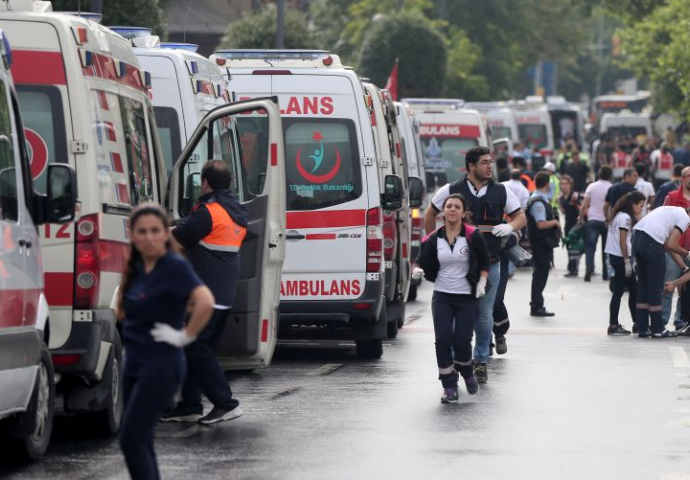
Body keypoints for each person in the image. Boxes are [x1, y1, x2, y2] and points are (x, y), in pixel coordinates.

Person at [117, 203, 215, 480]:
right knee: (143, 438)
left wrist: (184, 335)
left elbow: (205, 301)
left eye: (155, 231)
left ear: (164, 234)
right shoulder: (136, 266)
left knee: (131, 440)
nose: (148, 237)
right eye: (142, 231)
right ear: (133, 235)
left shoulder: (173, 266)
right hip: (134, 364)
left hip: (160, 367)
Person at [424, 146, 526, 383]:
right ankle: (452, 361)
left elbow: (521, 216)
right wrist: (434, 246)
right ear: (471, 166)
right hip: (455, 266)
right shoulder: (452, 190)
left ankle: (480, 360)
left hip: (489, 262)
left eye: (491, 161)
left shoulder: (502, 191)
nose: (490, 166)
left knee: (483, 314)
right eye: (484, 162)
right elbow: (430, 214)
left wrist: (511, 226)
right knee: (453, 316)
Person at [164, 160, 248, 424]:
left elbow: (177, 237)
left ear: (205, 183)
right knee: (197, 349)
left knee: (195, 347)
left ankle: (226, 403)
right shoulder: (236, 211)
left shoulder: (208, 212)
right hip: (223, 295)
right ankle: (190, 406)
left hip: (206, 295)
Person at [415, 194, 491, 403]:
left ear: (463, 212)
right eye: (449, 206)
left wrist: (482, 281)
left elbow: (485, 261)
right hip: (442, 297)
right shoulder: (434, 237)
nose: (452, 210)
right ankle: (449, 385)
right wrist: (418, 270)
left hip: (467, 297)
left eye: (457, 206)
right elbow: (420, 260)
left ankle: (466, 372)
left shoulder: (472, 235)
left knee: (462, 341)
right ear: (443, 211)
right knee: (442, 340)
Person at [632, 206, 690, 337]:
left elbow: (668, 245)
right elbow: (672, 245)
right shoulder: (685, 218)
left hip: (638, 237)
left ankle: (643, 328)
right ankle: (658, 329)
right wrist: (687, 254)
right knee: (655, 287)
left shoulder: (672, 212)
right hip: (652, 243)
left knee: (643, 286)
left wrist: (683, 267)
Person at [605, 191, 646, 335]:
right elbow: (623, 241)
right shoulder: (626, 218)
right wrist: (627, 261)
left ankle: (624, 323)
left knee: (625, 291)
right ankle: (624, 323)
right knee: (627, 291)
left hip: (615, 257)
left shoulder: (618, 215)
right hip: (621, 258)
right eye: (640, 205)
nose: (641, 209)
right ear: (632, 204)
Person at [527, 172, 561, 316]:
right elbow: (540, 224)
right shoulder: (538, 201)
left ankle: (536, 303)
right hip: (540, 242)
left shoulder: (539, 199)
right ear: (548, 184)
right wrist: (555, 222)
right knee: (540, 274)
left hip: (542, 242)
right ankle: (536, 305)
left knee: (540, 273)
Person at [661, 166, 690, 331]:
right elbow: (664, 222)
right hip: (673, 250)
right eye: (688, 176)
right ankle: (662, 320)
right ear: (682, 178)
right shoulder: (672, 197)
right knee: (669, 284)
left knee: (686, 288)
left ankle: (681, 319)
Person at [579, 165, 613, 282]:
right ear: (610, 176)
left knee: (590, 246)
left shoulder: (591, 186)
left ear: (599, 174)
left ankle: (589, 268)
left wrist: (581, 217)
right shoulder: (612, 188)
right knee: (606, 248)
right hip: (607, 221)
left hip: (592, 219)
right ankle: (605, 273)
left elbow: (585, 204)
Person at [558, 175, 584, 277]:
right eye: (562, 184)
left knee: (575, 248)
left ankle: (573, 269)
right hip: (568, 225)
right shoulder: (561, 198)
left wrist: (576, 205)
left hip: (577, 226)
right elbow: (564, 212)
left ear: (570, 185)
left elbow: (582, 209)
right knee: (569, 247)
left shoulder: (576, 196)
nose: (564, 186)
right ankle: (572, 268)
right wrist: (558, 204)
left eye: (566, 184)